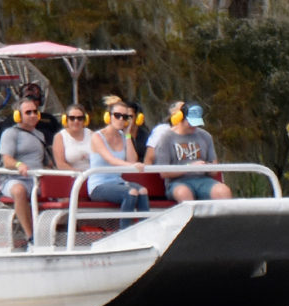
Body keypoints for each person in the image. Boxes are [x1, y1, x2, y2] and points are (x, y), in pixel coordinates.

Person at [145, 99, 233, 202]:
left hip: (203, 180)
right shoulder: (166, 138)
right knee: (184, 193)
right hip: (177, 182)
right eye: (190, 123)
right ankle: (192, 218)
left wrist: (207, 167)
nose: (194, 126)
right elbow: (164, 172)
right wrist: (189, 167)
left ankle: (222, 217)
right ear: (181, 118)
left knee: (223, 191)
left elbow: (214, 168)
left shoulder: (205, 136)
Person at [84, 96, 151, 228]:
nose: (121, 120)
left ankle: (145, 228)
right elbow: (111, 159)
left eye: (125, 117)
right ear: (109, 117)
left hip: (117, 182)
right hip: (99, 185)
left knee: (142, 191)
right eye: (117, 115)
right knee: (131, 192)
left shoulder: (123, 136)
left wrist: (127, 135)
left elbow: (132, 159)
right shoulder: (97, 136)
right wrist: (133, 165)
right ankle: (124, 231)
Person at [0, 93, 48, 249]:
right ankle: (30, 235)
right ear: (18, 116)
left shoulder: (40, 135)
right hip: (14, 179)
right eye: (28, 112)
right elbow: (7, 160)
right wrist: (19, 165)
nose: (33, 115)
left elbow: (45, 160)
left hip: (36, 179)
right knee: (19, 190)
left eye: (35, 112)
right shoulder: (10, 134)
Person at [50, 103, 95, 171]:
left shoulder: (91, 134)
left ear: (85, 120)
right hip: (72, 177)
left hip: (92, 175)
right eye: (72, 118)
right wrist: (81, 174)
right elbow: (61, 165)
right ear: (65, 119)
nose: (76, 121)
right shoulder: (60, 137)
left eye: (80, 118)